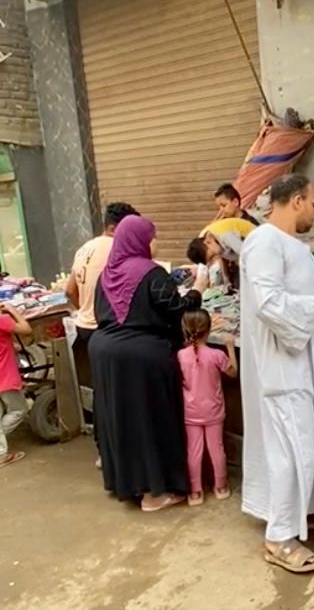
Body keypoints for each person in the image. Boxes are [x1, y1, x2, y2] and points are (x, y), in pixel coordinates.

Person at [240, 173, 314, 574]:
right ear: (296, 201)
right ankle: (278, 538)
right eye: (312, 203)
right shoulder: (264, 242)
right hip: (284, 366)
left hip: (304, 363)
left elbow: (294, 289)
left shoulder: (290, 244)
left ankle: (302, 512)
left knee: (306, 443)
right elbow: (269, 303)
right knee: (293, 449)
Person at [89, 215, 201, 512]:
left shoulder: (106, 275)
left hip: (105, 353)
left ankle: (127, 484)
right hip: (141, 357)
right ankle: (155, 493)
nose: (156, 242)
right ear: (140, 240)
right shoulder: (151, 273)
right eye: (153, 237)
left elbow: (101, 314)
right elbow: (177, 310)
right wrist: (197, 291)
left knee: (122, 419)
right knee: (151, 420)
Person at [65, 202, 139, 467]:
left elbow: (69, 290)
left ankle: (103, 450)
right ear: (117, 227)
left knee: (102, 391)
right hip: (109, 329)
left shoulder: (84, 248)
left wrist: (84, 310)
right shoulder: (117, 248)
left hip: (86, 328)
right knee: (121, 392)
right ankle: (123, 452)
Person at [178, 308, 237, 507]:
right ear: (209, 329)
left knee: (193, 451)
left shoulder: (180, 356)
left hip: (190, 412)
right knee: (216, 449)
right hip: (213, 411)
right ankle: (221, 486)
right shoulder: (216, 355)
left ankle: (195, 491)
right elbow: (233, 373)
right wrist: (230, 347)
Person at [0, 303, 32, 469]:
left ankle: (1, 452)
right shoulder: (2, 320)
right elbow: (26, 330)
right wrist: (12, 310)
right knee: (19, 410)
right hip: (5, 376)